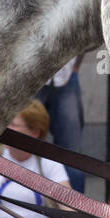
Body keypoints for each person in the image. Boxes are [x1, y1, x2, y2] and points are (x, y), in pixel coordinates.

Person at [36, 54, 86, 193]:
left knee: (71, 153)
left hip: (67, 75)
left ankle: (75, 208)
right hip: (30, 75)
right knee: (22, 140)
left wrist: (75, 67)